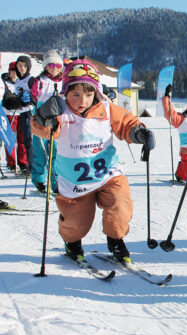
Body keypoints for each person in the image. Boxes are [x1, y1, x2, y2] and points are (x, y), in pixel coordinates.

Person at [31, 59, 155, 262]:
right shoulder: (61, 112)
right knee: (77, 221)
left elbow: (125, 122)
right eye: (76, 95)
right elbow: (42, 130)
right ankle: (72, 243)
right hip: (75, 181)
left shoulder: (106, 108)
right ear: (66, 92)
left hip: (107, 174)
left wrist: (139, 133)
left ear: (96, 93)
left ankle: (115, 240)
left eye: (89, 95)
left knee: (120, 204)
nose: (82, 101)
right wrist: (44, 117)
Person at [30, 50, 63, 193]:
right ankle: (39, 179)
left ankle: (56, 181)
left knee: (56, 150)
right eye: (51, 65)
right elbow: (33, 96)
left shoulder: (63, 81)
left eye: (57, 65)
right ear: (45, 66)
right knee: (40, 149)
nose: (54, 68)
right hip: (41, 115)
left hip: (57, 117)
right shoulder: (40, 80)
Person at [12, 55, 36, 175]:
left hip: (30, 112)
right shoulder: (18, 81)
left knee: (29, 140)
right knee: (24, 140)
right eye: (20, 65)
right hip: (21, 112)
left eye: (24, 66)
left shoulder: (31, 79)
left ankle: (33, 168)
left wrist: (30, 98)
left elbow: (37, 96)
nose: (22, 68)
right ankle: (27, 165)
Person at [2, 62, 26, 173]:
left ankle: (23, 162)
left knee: (22, 139)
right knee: (10, 138)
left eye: (16, 71)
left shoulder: (22, 82)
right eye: (12, 71)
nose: (14, 73)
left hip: (21, 113)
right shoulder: (5, 83)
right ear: (9, 71)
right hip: (9, 113)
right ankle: (12, 163)